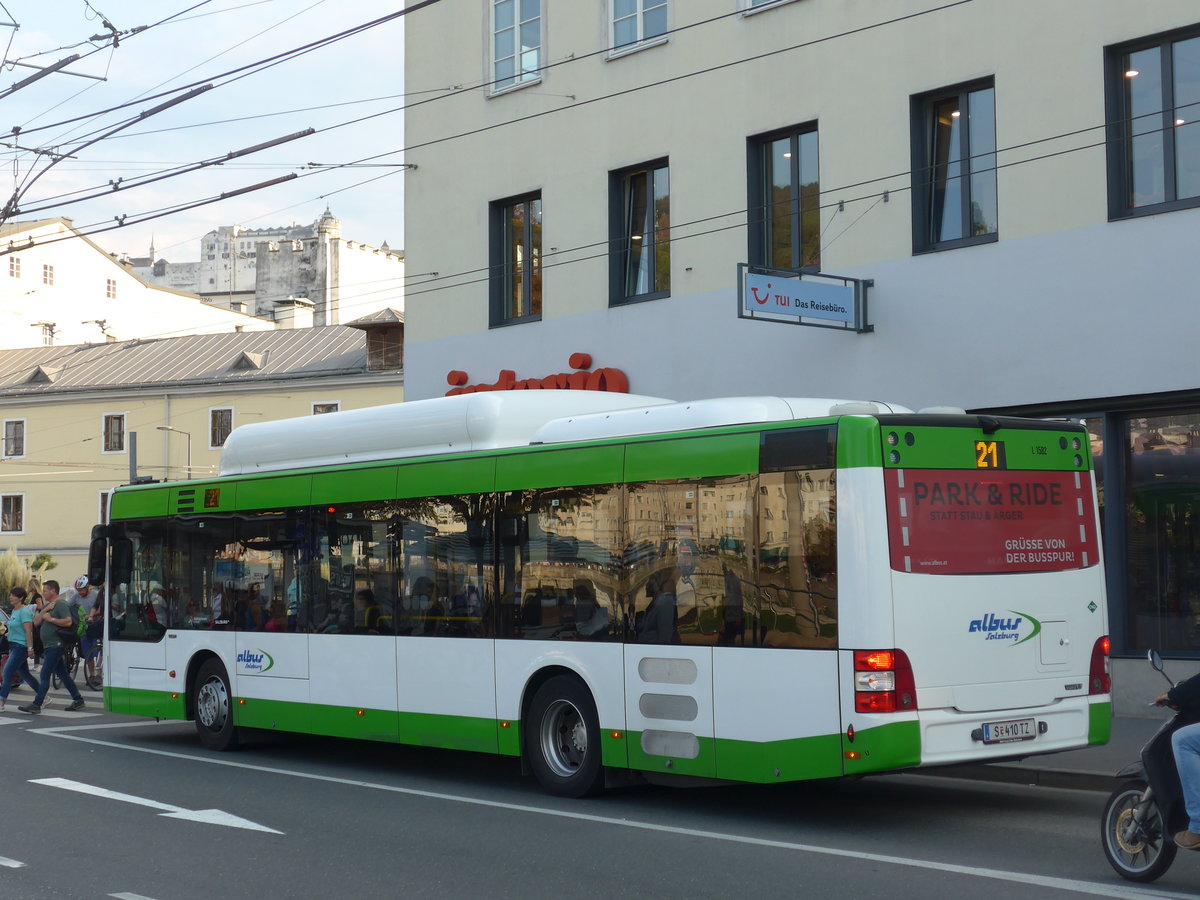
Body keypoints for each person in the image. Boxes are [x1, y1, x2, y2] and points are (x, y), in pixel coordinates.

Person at [19, 579, 85, 713]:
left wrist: (51, 619)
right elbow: (36, 622)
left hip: (56, 645)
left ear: (53, 591)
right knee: (63, 674)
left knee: (44, 674)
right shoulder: (49, 605)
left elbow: (68, 621)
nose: (43, 593)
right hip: (49, 646)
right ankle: (78, 700)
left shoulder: (61, 604)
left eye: (45, 590)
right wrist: (46, 610)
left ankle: (37, 704)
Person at [0, 587, 40, 711]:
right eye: (11, 595)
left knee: (7, 672)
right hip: (13, 646)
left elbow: (29, 632)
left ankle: (1, 702)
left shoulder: (24, 612)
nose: (11, 597)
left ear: (21, 598)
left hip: (21, 647)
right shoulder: (14, 611)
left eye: (13, 595)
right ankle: (43, 695)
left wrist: (30, 648)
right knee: (25, 674)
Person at [637, 566, 681, 644]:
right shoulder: (656, 602)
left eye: (649, 582)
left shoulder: (665, 602)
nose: (646, 586)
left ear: (656, 584)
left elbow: (664, 636)